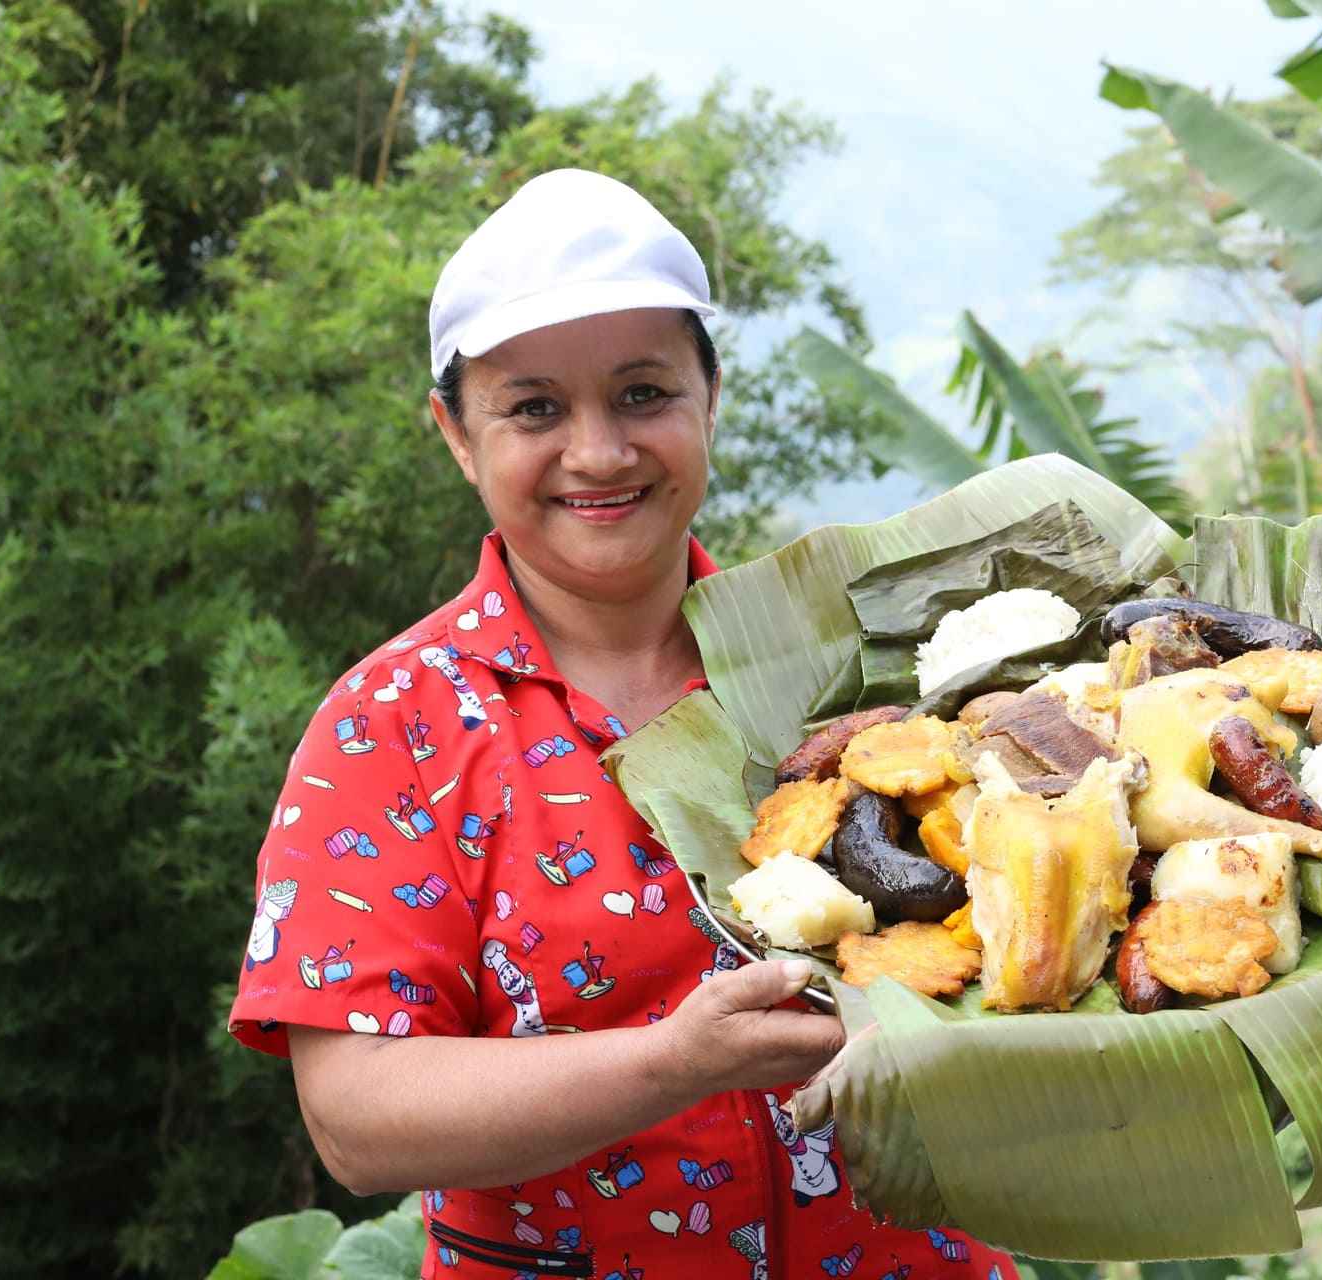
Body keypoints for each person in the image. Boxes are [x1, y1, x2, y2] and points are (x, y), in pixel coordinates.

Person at [227, 169, 1017, 1279]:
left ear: (711, 395)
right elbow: (358, 1116)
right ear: (457, 433)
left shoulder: (845, 665)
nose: (597, 451)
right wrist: (673, 1062)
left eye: (643, 393)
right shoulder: (392, 724)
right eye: (535, 407)